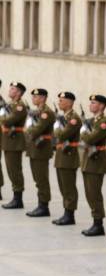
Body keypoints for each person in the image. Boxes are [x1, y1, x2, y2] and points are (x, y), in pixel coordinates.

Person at [81, 94, 106, 237]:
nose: (91, 105)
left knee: (94, 194)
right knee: (89, 194)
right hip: (88, 160)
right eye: (91, 102)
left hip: (96, 161)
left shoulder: (103, 122)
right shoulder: (92, 121)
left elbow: (90, 139)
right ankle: (95, 222)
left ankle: (98, 224)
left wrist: (83, 132)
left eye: (94, 103)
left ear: (101, 106)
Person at [52, 92, 82, 226]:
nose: (59, 102)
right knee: (63, 185)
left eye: (62, 100)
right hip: (61, 155)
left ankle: (70, 214)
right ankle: (66, 212)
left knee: (69, 187)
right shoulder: (64, 117)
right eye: (59, 100)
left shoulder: (74, 118)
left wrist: (57, 127)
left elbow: (61, 135)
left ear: (70, 102)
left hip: (69, 156)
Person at [25, 88, 56, 217]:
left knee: (41, 178)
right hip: (34, 148)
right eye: (33, 97)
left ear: (43, 98)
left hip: (41, 149)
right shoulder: (38, 111)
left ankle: (44, 206)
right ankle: (41, 204)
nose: (33, 99)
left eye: (36, 97)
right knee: (37, 178)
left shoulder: (46, 113)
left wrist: (29, 127)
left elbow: (35, 130)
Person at [1, 82, 28, 209]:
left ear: (18, 93)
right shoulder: (10, 105)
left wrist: (1, 114)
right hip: (8, 142)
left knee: (15, 170)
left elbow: (7, 121)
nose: (9, 90)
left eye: (12, 89)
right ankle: (16, 197)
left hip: (14, 142)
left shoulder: (19, 107)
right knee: (11, 170)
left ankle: (18, 199)